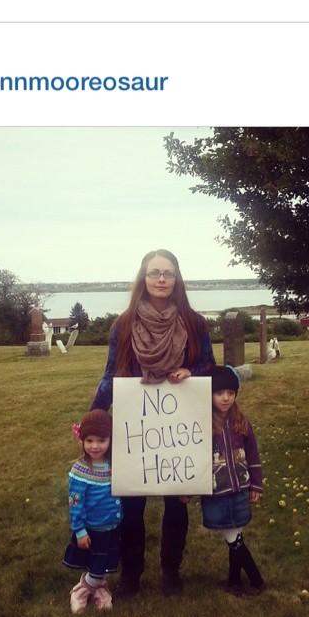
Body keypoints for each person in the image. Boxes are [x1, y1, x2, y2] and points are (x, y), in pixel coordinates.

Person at [90, 249, 215, 597]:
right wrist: (94, 418)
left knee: (177, 503)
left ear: (177, 280)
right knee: (131, 506)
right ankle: (131, 575)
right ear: (143, 279)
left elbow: (211, 368)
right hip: (137, 427)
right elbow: (111, 374)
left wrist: (192, 371)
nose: (161, 279)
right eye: (154, 272)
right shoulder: (125, 323)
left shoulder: (195, 323)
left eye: (168, 273)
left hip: (179, 427)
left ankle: (171, 572)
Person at [201, 365, 265, 596]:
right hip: (216, 491)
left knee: (235, 533)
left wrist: (256, 483)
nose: (226, 398)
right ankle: (256, 579)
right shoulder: (202, 424)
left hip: (240, 489)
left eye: (231, 392)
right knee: (232, 536)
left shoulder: (242, 422)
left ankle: (234, 581)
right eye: (219, 393)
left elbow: (253, 453)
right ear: (209, 394)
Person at [63, 409, 122, 613]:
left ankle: (99, 588)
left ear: (110, 440)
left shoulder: (114, 465)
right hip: (92, 529)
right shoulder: (80, 471)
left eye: (101, 440)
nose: (95, 446)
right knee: (97, 563)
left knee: (103, 562)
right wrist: (79, 530)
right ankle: (81, 591)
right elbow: (75, 503)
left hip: (111, 526)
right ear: (82, 441)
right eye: (89, 440)